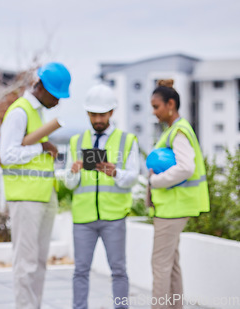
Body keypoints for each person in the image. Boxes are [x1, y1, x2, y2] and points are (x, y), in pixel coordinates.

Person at [0, 62, 71, 309]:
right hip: (26, 198)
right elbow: (7, 155)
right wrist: (40, 147)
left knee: (39, 262)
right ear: (41, 88)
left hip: (43, 195)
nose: (59, 102)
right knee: (26, 263)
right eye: (57, 95)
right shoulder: (19, 112)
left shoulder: (38, 112)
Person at [62, 84, 139, 309]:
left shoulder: (127, 140)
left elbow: (133, 177)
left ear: (111, 113)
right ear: (87, 113)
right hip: (83, 218)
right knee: (80, 271)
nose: (97, 119)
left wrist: (115, 172)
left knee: (118, 270)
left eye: (102, 114)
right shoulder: (76, 141)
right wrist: (73, 171)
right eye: (93, 114)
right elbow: (69, 182)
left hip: (113, 216)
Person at [148, 79, 209, 309]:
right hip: (174, 207)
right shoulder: (176, 129)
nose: (154, 112)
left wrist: (156, 181)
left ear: (170, 104)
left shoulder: (179, 131)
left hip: (173, 208)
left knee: (160, 265)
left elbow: (186, 168)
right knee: (171, 265)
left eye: (156, 107)